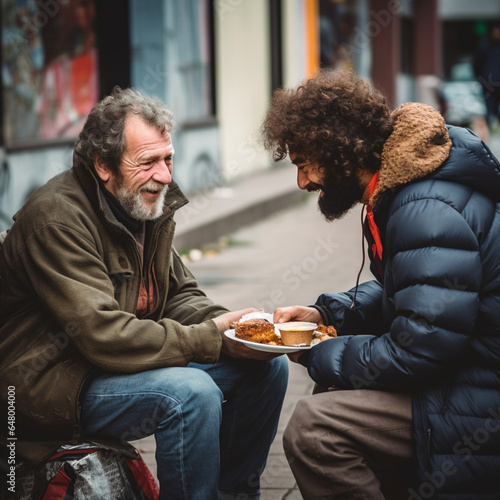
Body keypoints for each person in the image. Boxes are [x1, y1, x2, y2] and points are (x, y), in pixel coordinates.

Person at [0, 87, 288, 500]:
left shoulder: (139, 203)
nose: (166, 176)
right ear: (103, 164)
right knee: (190, 394)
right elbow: (100, 333)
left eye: (168, 159)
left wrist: (240, 329)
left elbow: (177, 295)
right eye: (149, 162)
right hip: (53, 382)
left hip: (107, 366)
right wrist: (208, 337)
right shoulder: (56, 218)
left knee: (267, 368)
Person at [261, 69, 500, 499]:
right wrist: (326, 314)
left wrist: (319, 350)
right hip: (469, 374)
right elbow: (417, 290)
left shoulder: (422, 207)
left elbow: (421, 346)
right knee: (336, 389)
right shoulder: (405, 188)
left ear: (336, 150)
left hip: (478, 397)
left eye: (303, 165)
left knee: (314, 428)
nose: (302, 183)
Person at [474, 23, 500, 130]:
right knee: (489, 106)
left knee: (496, 106)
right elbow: (477, 63)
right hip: (487, 82)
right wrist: (480, 78)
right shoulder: (484, 45)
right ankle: (490, 127)